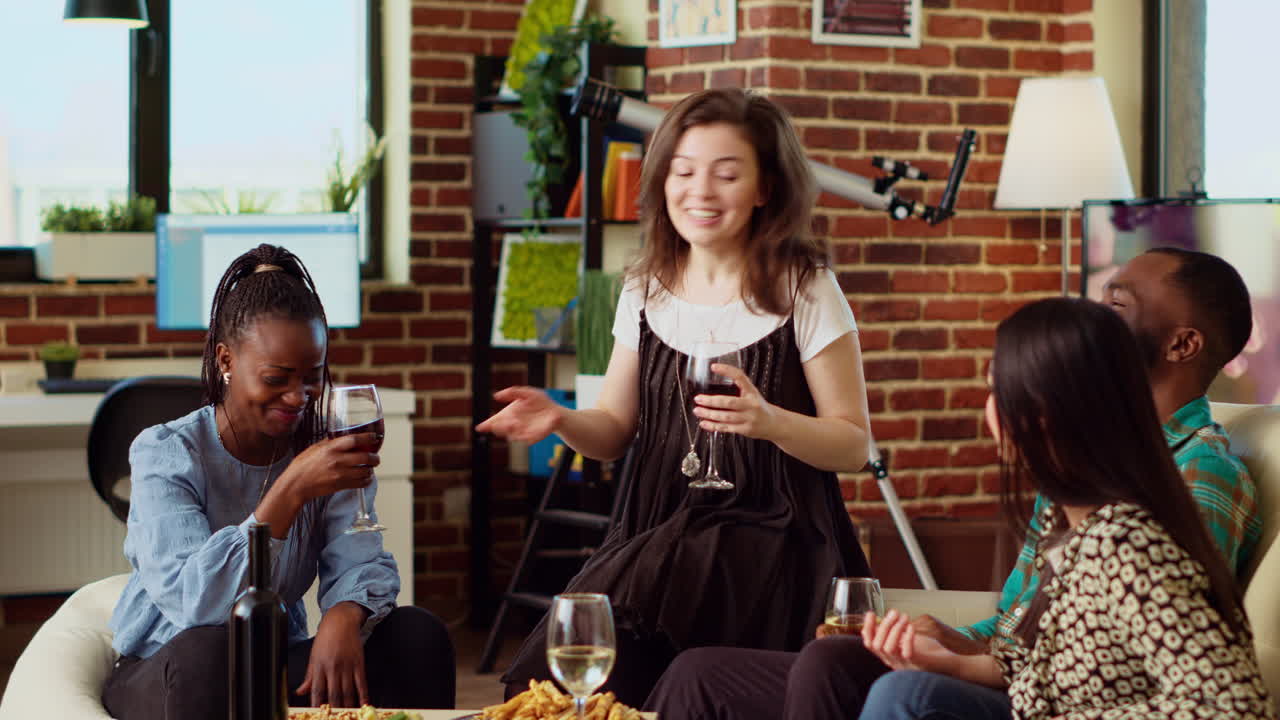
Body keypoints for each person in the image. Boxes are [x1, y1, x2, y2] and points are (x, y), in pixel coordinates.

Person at [644, 246, 1260, 719]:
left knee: (893, 693)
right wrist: (950, 645)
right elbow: (1036, 639)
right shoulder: (1069, 501)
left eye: (1117, 307)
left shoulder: (1165, 504)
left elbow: (1179, 679)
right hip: (1022, 684)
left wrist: (981, 673)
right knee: (716, 671)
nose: (990, 412)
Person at [476, 88, 874, 706]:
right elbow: (612, 427)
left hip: (774, 538)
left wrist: (769, 423)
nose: (701, 192)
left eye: (727, 174)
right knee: (564, 683)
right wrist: (560, 419)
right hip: (656, 533)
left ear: (766, 187)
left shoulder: (807, 288)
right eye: (684, 172)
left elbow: (853, 444)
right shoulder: (643, 286)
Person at [857, 297, 1274, 719]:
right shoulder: (1073, 524)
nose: (989, 406)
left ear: (1047, 411)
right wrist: (951, 662)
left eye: (997, 388)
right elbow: (1050, 670)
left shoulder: (1126, 543)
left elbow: (1232, 707)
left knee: (906, 697)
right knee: (855, 667)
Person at [101, 244, 455, 719]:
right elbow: (196, 605)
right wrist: (290, 490)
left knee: (416, 635)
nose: (298, 396)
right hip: (166, 665)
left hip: (266, 664)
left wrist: (342, 617)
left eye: (313, 377)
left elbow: (361, 559)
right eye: (277, 378)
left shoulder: (324, 446)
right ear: (226, 360)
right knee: (211, 653)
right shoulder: (165, 453)